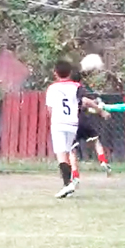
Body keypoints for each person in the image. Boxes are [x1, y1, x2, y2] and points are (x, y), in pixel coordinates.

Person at [45, 60, 81, 198]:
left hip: (59, 122)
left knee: (61, 154)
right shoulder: (76, 86)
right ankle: (71, 181)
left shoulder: (52, 88)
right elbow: (80, 103)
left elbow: (50, 108)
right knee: (68, 152)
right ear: (70, 73)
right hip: (73, 122)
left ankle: (67, 184)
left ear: (55, 73)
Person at [70, 70, 112, 178]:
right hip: (81, 119)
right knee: (95, 140)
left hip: (70, 121)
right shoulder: (79, 88)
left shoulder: (66, 89)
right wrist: (101, 111)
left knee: (72, 149)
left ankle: (74, 174)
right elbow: (84, 101)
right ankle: (103, 161)